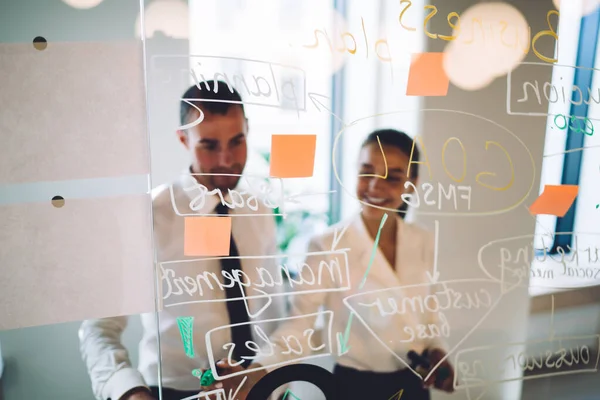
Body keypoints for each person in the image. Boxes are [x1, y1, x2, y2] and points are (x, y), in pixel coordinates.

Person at [79, 80, 287, 400]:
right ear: (183, 139)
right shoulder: (147, 216)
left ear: (247, 130)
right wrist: (129, 391)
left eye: (237, 141)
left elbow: (273, 312)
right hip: (175, 391)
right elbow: (99, 327)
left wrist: (268, 372)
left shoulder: (259, 212)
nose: (226, 159)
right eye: (209, 145)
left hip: (258, 388)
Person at [213, 129, 456, 399]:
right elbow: (299, 327)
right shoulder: (328, 246)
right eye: (367, 171)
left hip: (414, 389)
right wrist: (258, 371)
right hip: (355, 389)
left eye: (393, 177)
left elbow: (429, 317)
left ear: (412, 183)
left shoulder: (422, 240)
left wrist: (438, 351)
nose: (375, 186)